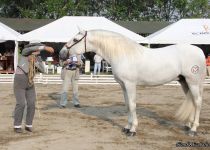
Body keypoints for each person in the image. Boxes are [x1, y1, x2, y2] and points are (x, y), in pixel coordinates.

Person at [13, 42, 54, 133]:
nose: (39, 51)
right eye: (37, 49)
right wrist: (44, 47)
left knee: (32, 103)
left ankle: (28, 125)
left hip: (30, 82)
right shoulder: (25, 52)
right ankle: (17, 126)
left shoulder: (37, 58)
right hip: (20, 80)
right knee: (21, 103)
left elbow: (43, 70)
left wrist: (36, 62)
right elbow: (30, 49)